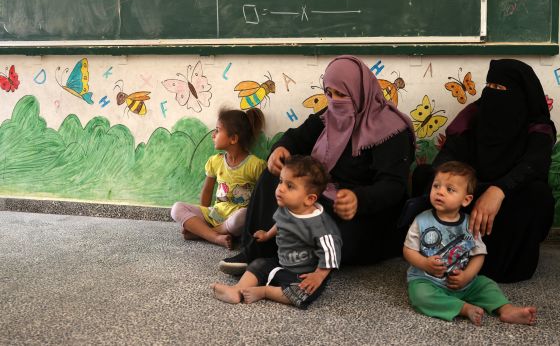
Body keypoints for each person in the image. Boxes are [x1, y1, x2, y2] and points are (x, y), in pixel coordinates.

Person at [219, 55, 415, 274]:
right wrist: (280, 149)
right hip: (322, 196)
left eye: (342, 94)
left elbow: (393, 186)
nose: (334, 101)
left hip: (362, 213)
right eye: (329, 93)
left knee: (337, 238)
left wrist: (358, 199)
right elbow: (296, 138)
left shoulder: (391, 130)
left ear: (361, 91)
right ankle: (256, 249)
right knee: (275, 176)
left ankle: (283, 260)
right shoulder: (328, 116)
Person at [409, 59, 556, 283]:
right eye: (489, 86)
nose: (492, 92)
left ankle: (503, 265)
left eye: (500, 88)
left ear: (521, 94)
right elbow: (447, 160)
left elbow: (533, 166)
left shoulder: (537, 128)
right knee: (427, 176)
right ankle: (441, 253)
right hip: (469, 195)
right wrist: (464, 190)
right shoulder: (472, 118)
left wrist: (499, 190)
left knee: (537, 194)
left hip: (508, 198)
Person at [404, 161, 537, 326]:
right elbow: (408, 250)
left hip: (464, 283)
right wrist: (424, 263)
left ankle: (506, 309)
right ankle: (463, 308)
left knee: (487, 284)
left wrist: (467, 276)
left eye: (450, 189)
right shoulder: (421, 220)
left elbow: (478, 255)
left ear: (466, 200)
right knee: (420, 296)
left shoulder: (470, 224)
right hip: (428, 281)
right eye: (436, 186)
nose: (440, 192)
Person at [211, 156, 342, 308]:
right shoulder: (287, 208)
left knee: (303, 292)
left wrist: (318, 276)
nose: (281, 188)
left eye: (290, 186)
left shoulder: (321, 226)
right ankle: (237, 289)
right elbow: (280, 224)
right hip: (281, 262)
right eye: (281, 181)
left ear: (309, 199)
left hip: (304, 273)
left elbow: (331, 253)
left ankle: (265, 291)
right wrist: (267, 234)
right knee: (258, 264)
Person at [170, 108, 266, 248]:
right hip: (216, 214)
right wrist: (203, 217)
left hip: (236, 218)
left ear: (233, 139)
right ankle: (214, 236)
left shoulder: (255, 165)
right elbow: (207, 191)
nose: (213, 135)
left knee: (245, 215)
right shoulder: (215, 161)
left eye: (217, 130)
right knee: (176, 208)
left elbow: (263, 199)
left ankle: (203, 233)